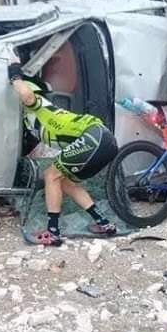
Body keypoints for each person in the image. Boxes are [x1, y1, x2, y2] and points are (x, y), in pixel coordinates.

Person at [9, 63, 118, 246]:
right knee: (66, 182)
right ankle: (104, 223)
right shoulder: (30, 121)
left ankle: (53, 232)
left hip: (94, 136)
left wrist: (14, 76)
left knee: (51, 174)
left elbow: (27, 95)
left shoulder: (37, 105)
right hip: (103, 141)